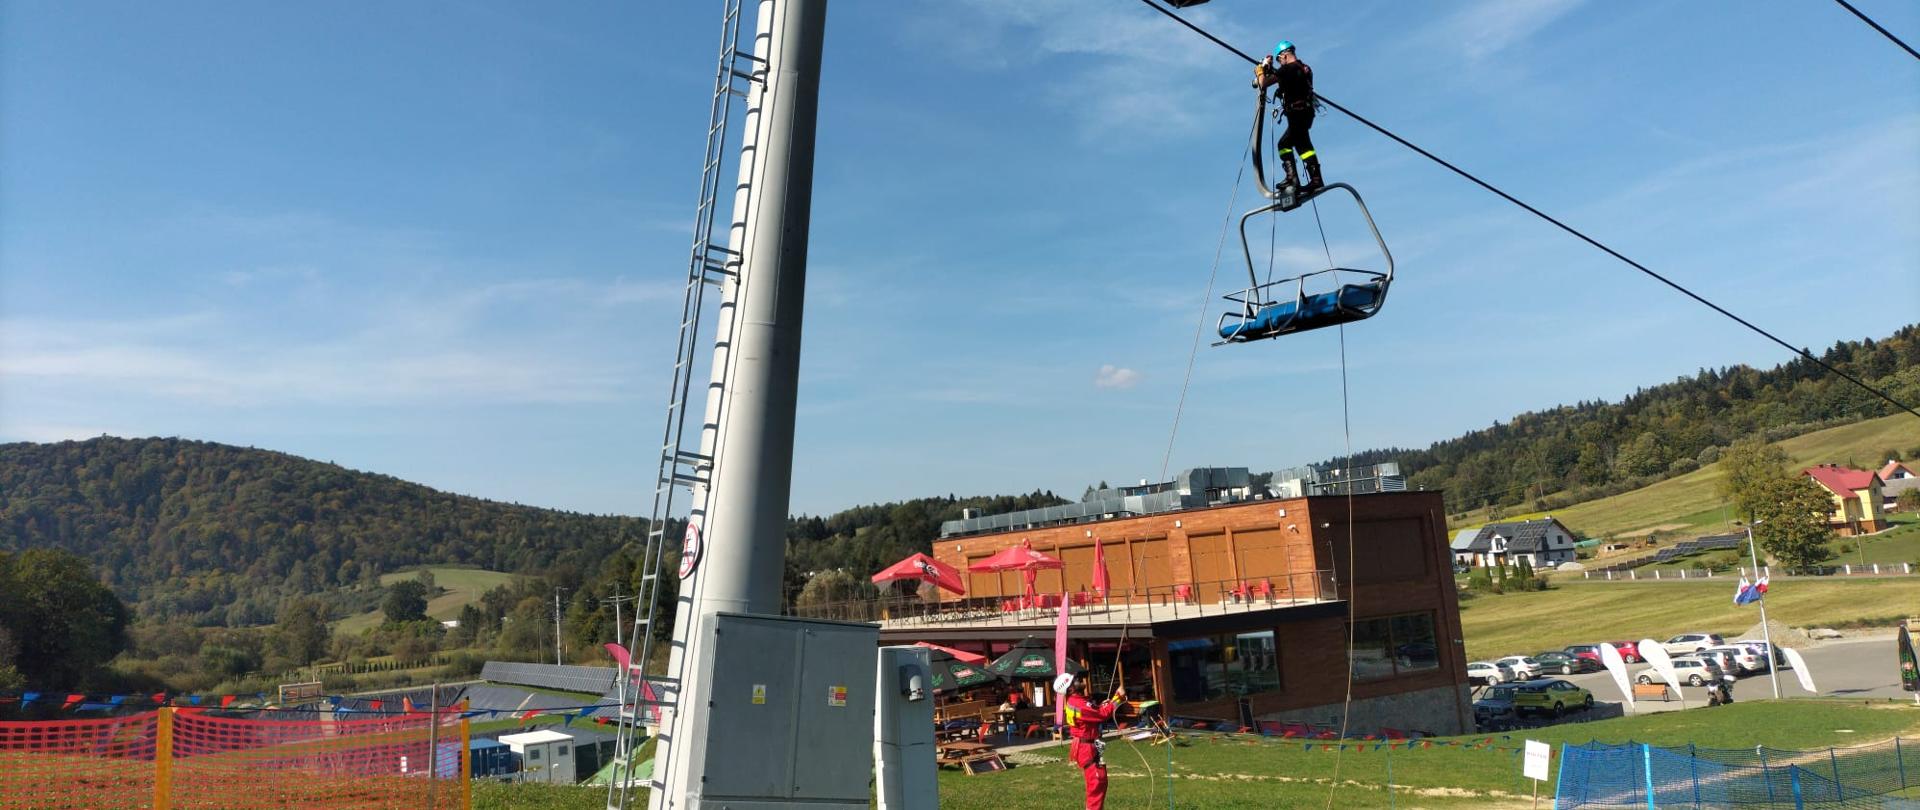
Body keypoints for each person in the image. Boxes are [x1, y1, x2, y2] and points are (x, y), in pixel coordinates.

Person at [1254, 40, 1322, 192]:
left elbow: (1263, 83)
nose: (1280, 63)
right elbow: (1289, 81)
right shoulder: (1305, 68)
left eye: (1279, 60)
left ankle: (1292, 179)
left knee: (1284, 145)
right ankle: (1316, 179)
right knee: (1303, 145)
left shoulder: (1287, 69)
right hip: (1307, 113)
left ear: (1284, 55)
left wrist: (1260, 70)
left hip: (1297, 113)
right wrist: (1272, 70)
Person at [1063, 673, 1125, 810]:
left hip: (1087, 746)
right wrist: (1118, 698)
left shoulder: (1076, 701)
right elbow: (1101, 714)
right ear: (1070, 689)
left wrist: (1102, 705)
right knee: (1097, 784)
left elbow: (1093, 712)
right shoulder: (1078, 703)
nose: (1079, 680)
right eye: (1075, 680)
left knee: (1099, 784)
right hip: (1087, 748)